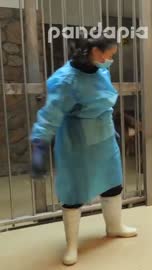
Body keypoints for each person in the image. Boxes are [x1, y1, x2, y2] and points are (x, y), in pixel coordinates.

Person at [31, 36, 137, 266]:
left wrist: (112, 130)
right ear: (95, 51)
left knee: (113, 182)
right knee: (73, 191)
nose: (111, 60)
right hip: (75, 141)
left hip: (105, 137)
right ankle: (71, 246)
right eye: (109, 55)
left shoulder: (101, 71)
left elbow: (104, 101)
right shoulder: (66, 80)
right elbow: (51, 115)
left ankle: (114, 226)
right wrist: (40, 144)